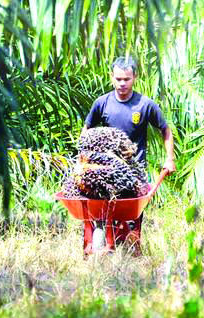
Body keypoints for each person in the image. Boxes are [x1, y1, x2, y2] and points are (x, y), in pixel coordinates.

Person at [82, 55, 175, 252]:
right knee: (102, 212)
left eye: (127, 79)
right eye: (118, 79)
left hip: (135, 172)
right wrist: (84, 156)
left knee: (132, 218)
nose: (122, 83)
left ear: (135, 77)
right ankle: (104, 242)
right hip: (107, 172)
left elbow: (165, 129)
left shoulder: (145, 105)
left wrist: (169, 158)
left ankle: (133, 248)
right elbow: (87, 129)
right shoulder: (102, 103)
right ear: (111, 77)